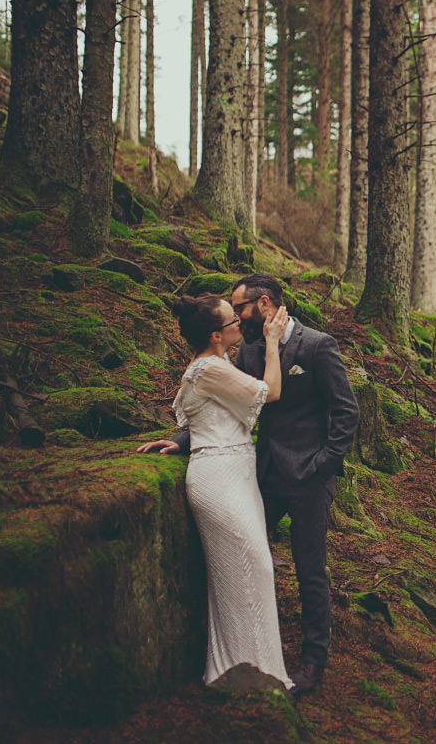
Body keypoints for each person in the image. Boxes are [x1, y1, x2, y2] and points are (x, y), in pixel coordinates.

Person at [139, 274, 360, 697]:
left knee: (310, 568)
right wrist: (184, 439)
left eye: (240, 307)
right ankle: (248, 647)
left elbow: (346, 413)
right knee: (249, 558)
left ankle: (313, 661)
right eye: (233, 311)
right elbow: (228, 402)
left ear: (262, 304)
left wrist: (324, 465)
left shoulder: (317, 346)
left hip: (311, 478)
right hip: (262, 475)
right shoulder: (252, 350)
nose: (237, 316)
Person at [158, 292, 293, 692]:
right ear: (217, 335)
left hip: (237, 474)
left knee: (251, 570)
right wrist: (271, 342)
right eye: (233, 322)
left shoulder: (216, 364)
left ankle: (254, 671)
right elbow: (270, 392)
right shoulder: (208, 370)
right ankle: (240, 673)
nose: (240, 324)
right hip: (218, 478)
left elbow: (214, 414)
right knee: (247, 570)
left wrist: (179, 441)